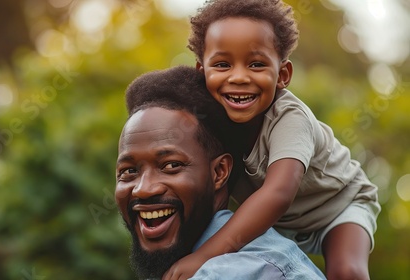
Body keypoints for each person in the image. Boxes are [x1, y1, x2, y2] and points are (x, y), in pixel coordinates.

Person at [164, 1, 381, 279]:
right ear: (201, 72)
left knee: (346, 271)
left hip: (337, 207)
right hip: (278, 223)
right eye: (222, 64)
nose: (239, 77)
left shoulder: (290, 118)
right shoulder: (209, 126)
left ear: (282, 75)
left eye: (256, 64)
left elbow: (277, 194)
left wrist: (203, 256)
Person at [115, 65, 326, 279]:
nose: (143, 189)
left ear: (219, 172)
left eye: (170, 166)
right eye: (129, 171)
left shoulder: (238, 271)